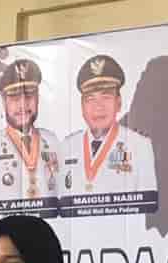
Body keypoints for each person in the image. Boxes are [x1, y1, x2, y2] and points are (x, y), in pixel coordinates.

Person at [62, 54, 158, 196]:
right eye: (90, 99)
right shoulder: (67, 147)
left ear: (118, 103)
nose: (98, 107)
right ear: (82, 107)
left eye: (106, 97)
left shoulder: (140, 146)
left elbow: (147, 205)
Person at [0, 58, 63, 199]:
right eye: (15, 98)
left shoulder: (52, 141)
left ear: (37, 98)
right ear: (4, 101)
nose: (23, 105)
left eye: (29, 95)